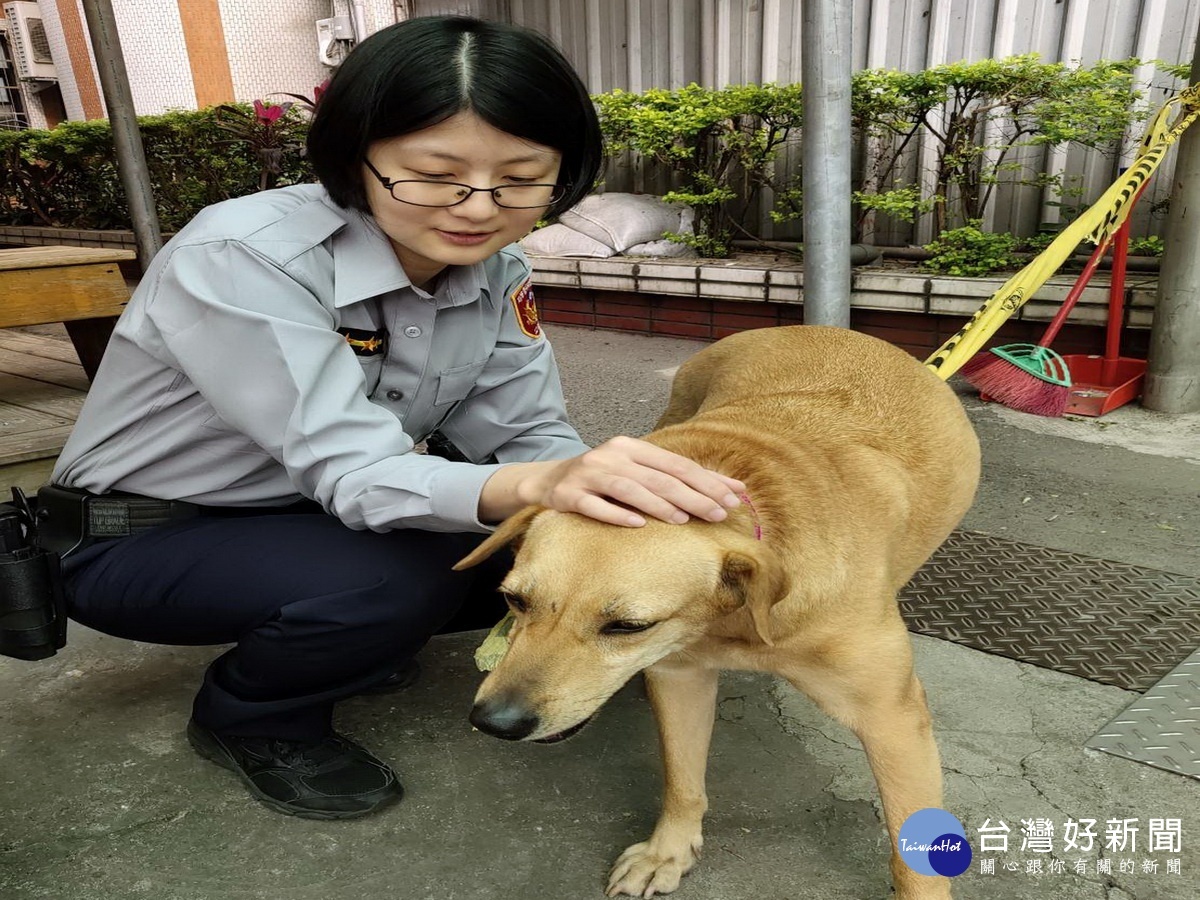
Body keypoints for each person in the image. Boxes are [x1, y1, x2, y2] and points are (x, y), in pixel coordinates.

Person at [44, 15, 743, 821]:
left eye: (520, 179)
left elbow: (525, 432)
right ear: (356, 156)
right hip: (138, 537)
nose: (478, 208)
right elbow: (358, 472)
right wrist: (549, 484)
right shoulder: (245, 257)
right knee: (402, 576)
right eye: (434, 174)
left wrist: (599, 519)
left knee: (536, 555)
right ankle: (252, 717)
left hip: (299, 517)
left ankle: (343, 641)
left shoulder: (494, 269)